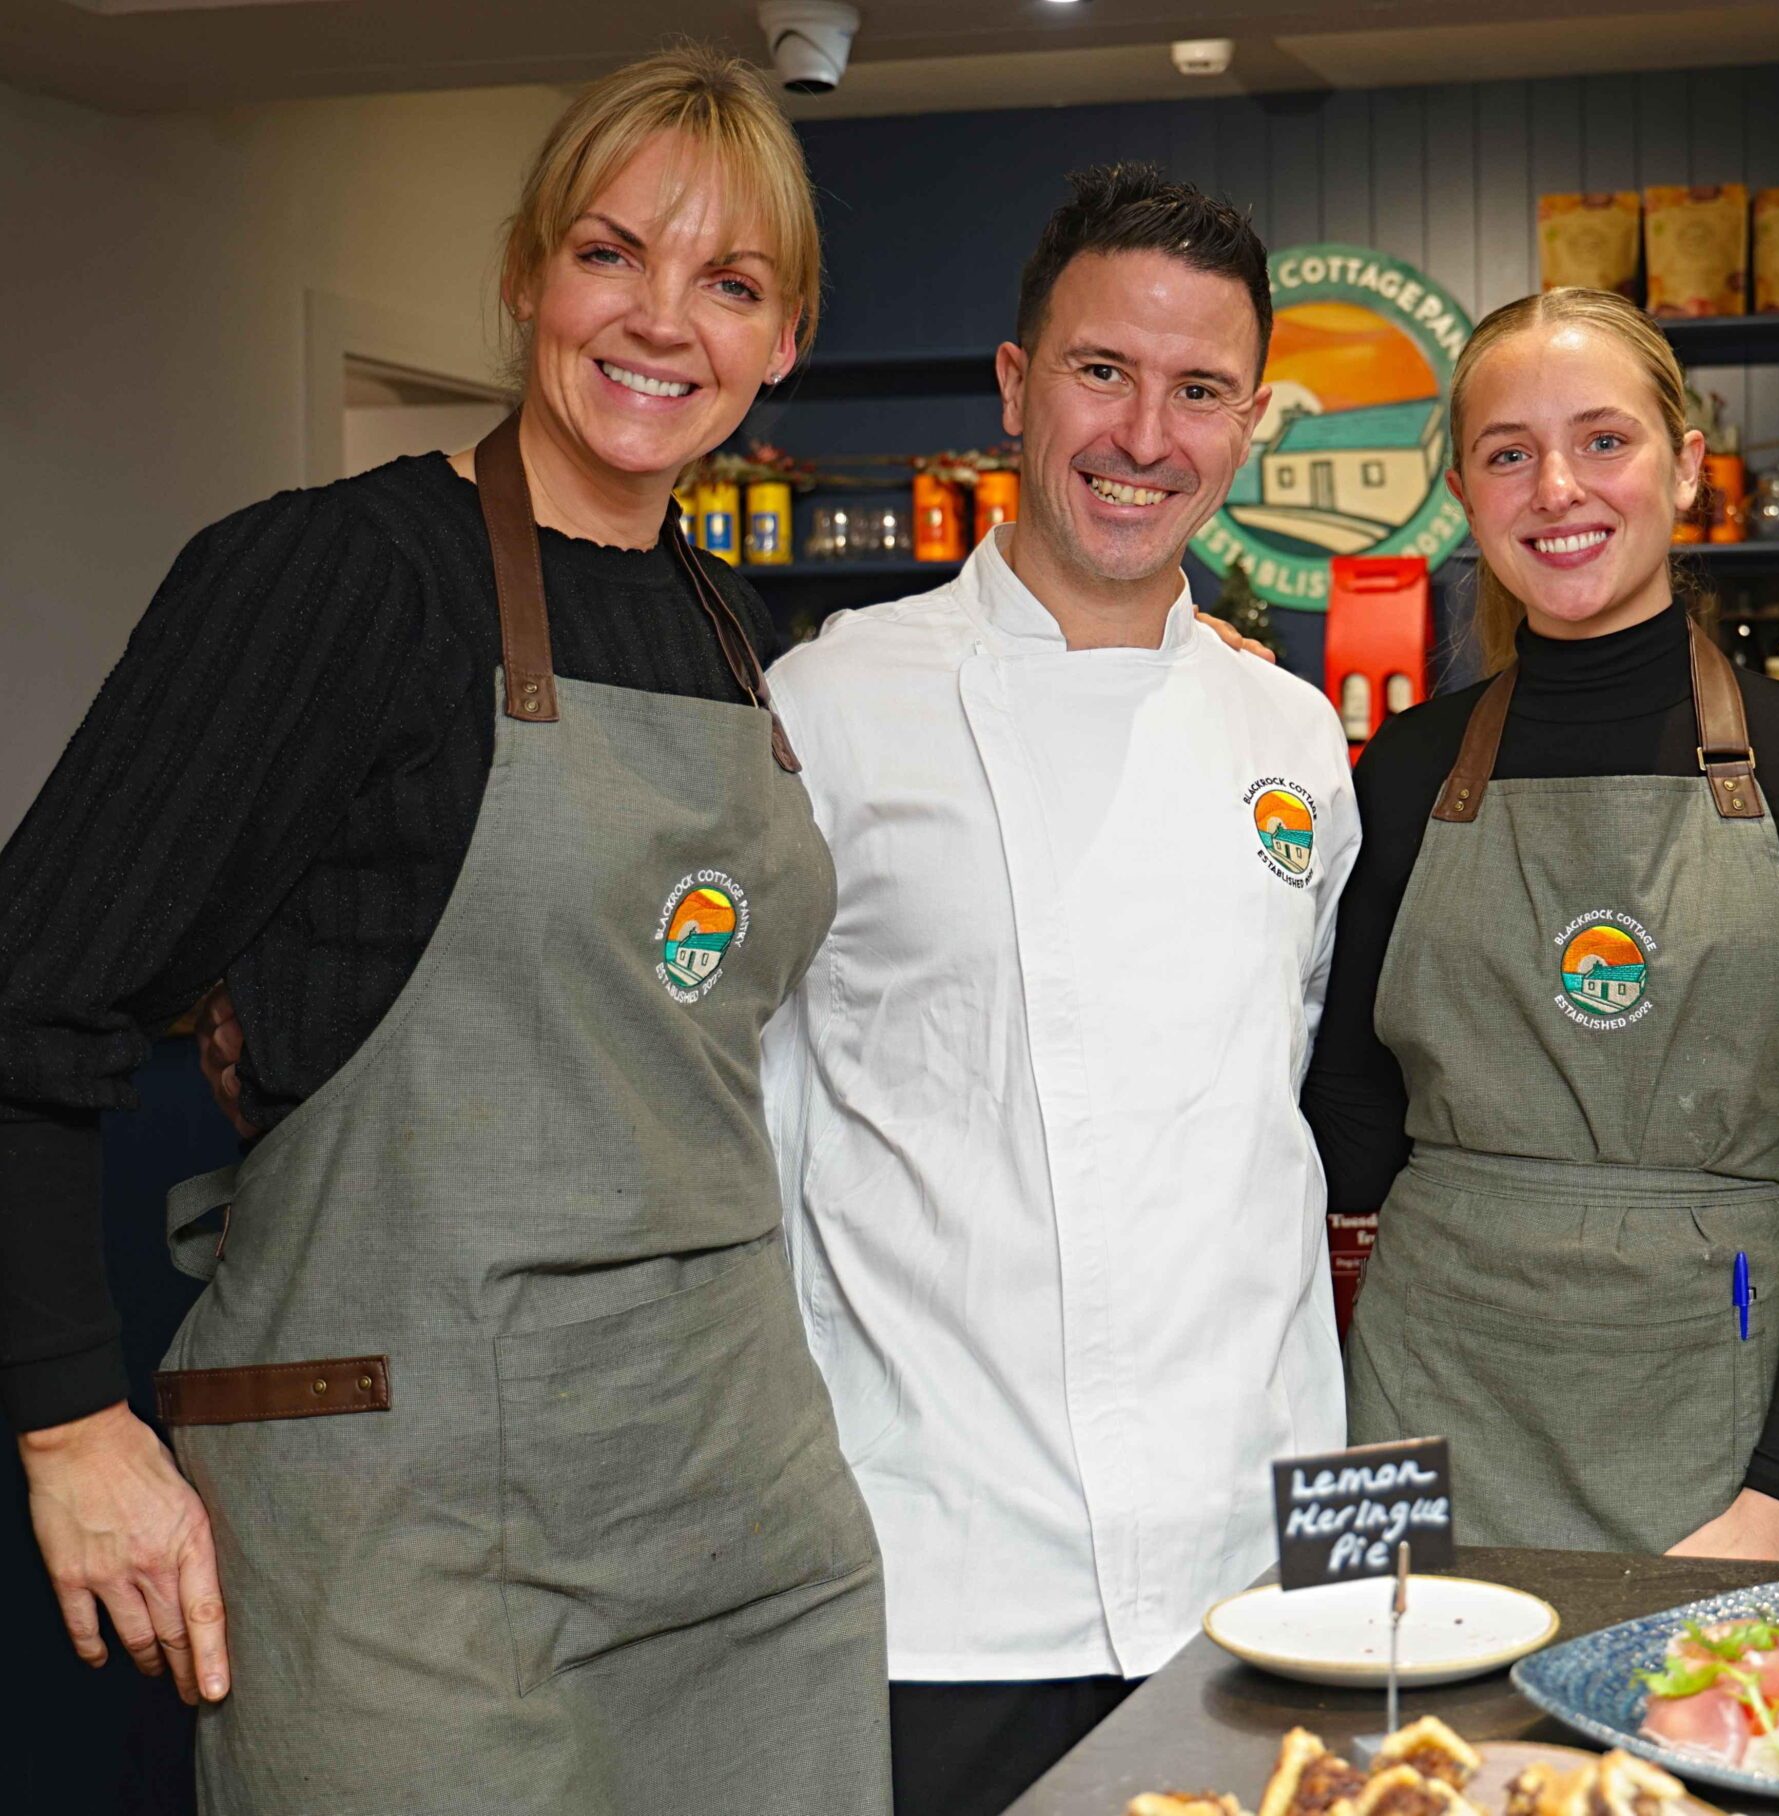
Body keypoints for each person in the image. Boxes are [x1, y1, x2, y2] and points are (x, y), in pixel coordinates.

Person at [0, 50, 889, 1811]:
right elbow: (32, 1005)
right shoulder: (340, 581)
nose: (661, 322)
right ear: (524, 275)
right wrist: (69, 1425)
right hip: (410, 1546)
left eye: (730, 283)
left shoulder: (729, 622)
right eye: (611, 255)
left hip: (745, 1528)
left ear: (785, 339)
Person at [757, 165, 1357, 1816]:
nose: (1145, 435)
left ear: (1247, 429)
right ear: (1019, 388)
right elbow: (746, 1113)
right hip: (942, 1579)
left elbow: (1265, 1101)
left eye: (1200, 391)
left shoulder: (1291, 736)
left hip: (1250, 1561)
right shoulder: (830, 704)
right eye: (1104, 372)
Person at [1299, 288, 1779, 1565]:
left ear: (1685, 467)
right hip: (1425, 1408)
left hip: (1722, 1436)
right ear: (1466, 493)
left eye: (1603, 441)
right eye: (1508, 453)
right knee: (1396, 1761)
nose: (1557, 490)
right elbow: (1343, 1130)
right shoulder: (1405, 770)